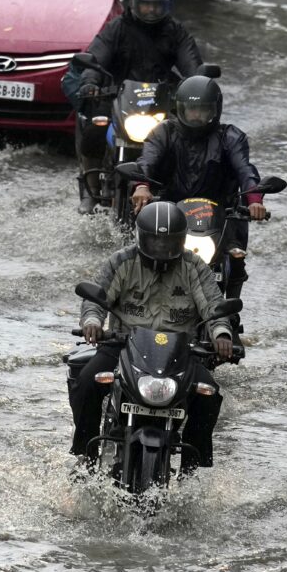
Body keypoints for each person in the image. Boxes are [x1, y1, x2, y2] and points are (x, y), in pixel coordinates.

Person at [69, 201, 233, 470]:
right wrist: (92, 322)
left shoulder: (194, 267)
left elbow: (214, 307)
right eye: (155, 240)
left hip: (180, 352)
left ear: (181, 240)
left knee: (209, 395)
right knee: (86, 383)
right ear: (140, 236)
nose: (161, 247)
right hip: (123, 346)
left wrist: (222, 334)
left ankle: (191, 469)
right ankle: (85, 453)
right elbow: (96, 299)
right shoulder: (121, 261)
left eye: (168, 241)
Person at [74, 0, 204, 214]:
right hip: (117, 96)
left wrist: (198, 84)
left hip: (160, 101)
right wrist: (91, 82)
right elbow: (97, 55)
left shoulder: (176, 32)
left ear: (167, 5)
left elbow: (192, 65)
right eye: (146, 4)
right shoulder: (117, 28)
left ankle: (183, 189)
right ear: (134, 2)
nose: (151, 11)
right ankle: (90, 187)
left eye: (156, 6)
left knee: (190, 135)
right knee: (95, 124)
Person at [131, 75, 267, 303]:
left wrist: (254, 200)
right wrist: (142, 186)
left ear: (215, 110)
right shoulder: (163, 132)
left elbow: (246, 170)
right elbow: (147, 161)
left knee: (235, 256)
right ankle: (137, 307)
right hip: (170, 210)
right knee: (144, 254)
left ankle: (231, 315)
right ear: (180, 108)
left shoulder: (231, 137)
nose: (196, 115)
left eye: (203, 110)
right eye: (191, 109)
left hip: (220, 214)